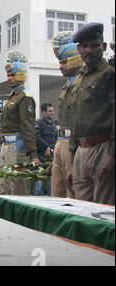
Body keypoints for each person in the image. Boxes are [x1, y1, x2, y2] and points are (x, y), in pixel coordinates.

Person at [67, 23, 115, 205]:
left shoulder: (109, 75)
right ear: (78, 49)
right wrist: (72, 162)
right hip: (81, 150)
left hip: (103, 149)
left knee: (103, 211)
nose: (89, 50)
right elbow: (74, 122)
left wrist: (112, 156)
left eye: (94, 45)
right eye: (84, 46)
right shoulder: (79, 79)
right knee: (82, 210)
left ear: (102, 47)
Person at [0, 51, 39, 196]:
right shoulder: (13, 96)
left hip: (18, 147)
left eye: (13, 75)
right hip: (5, 146)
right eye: (8, 75)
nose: (9, 78)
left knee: (18, 189)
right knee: (3, 187)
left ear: (21, 75)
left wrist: (33, 154)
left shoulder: (25, 97)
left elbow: (28, 128)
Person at [50, 31, 83, 199]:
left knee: (72, 196)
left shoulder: (82, 83)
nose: (60, 66)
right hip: (60, 143)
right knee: (57, 195)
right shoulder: (65, 87)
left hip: (74, 145)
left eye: (64, 62)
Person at [34, 103, 57, 196]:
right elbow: (37, 137)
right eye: (50, 111)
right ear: (43, 112)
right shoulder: (38, 123)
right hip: (40, 158)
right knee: (38, 187)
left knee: (51, 187)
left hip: (50, 160)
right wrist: (46, 147)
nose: (52, 113)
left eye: (53, 110)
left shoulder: (54, 125)